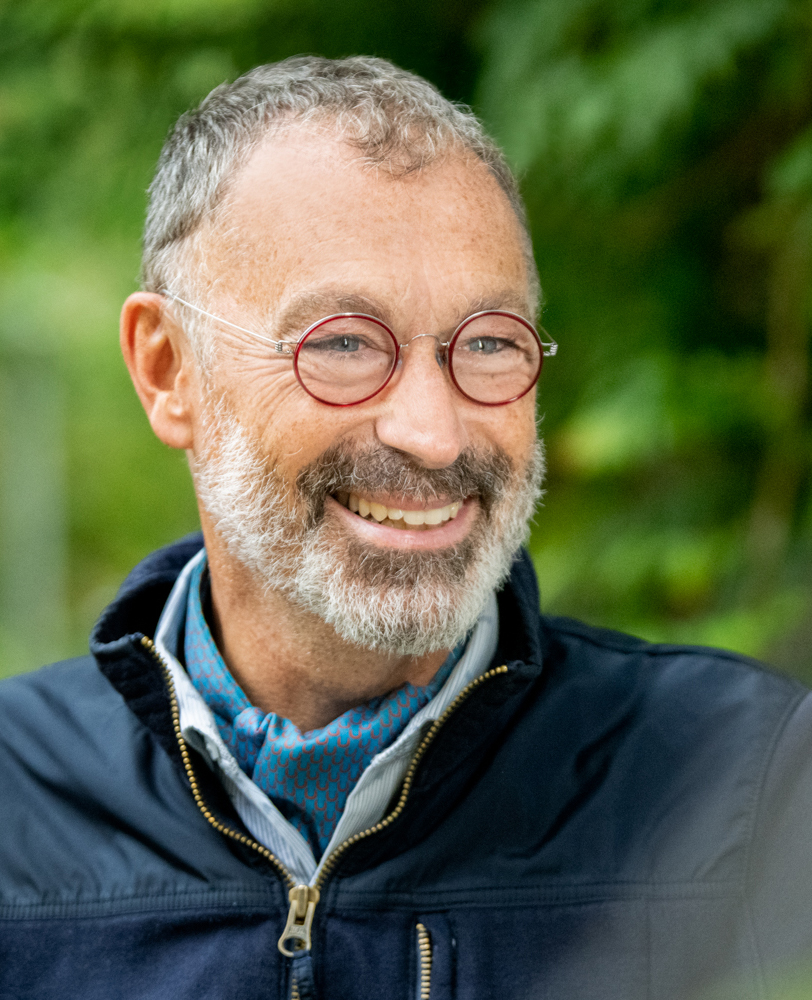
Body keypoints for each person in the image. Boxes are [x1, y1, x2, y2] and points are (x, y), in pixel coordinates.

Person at [1, 55, 811, 1000]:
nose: (431, 434)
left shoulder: (748, 792)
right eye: (343, 344)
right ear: (169, 369)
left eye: (489, 342)